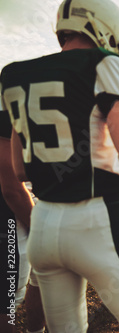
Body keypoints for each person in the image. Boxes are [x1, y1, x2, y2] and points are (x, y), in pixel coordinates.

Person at [0, 0, 119, 331]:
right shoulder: (105, 64)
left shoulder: (14, 74)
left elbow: (20, 170)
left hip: (44, 228)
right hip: (95, 221)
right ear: (102, 25)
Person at [0, 110, 45, 333]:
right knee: (8, 305)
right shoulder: (9, 97)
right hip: (15, 212)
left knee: (43, 281)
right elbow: (11, 188)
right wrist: (40, 229)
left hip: (41, 200)